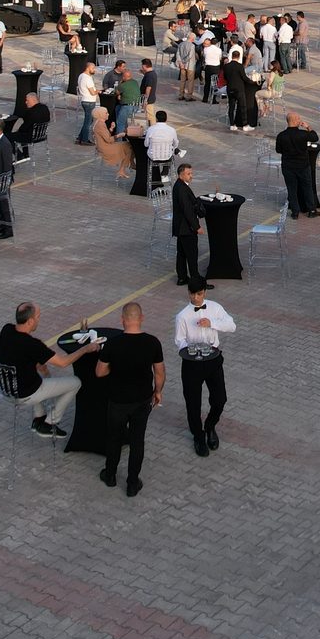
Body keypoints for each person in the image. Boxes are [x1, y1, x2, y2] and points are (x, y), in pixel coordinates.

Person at [0, 301, 98, 439]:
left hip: (7, 389)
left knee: (39, 375)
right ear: (31, 320)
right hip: (25, 393)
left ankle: (38, 419)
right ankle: (49, 423)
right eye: (38, 317)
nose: (39, 320)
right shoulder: (32, 345)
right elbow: (63, 362)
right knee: (76, 382)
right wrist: (86, 349)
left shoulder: (6, 330)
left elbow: (18, 353)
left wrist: (40, 365)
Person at [96, 300, 165, 497]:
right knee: (137, 441)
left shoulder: (113, 343)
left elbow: (99, 372)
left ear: (122, 320)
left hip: (117, 400)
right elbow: (159, 372)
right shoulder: (152, 342)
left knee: (114, 438)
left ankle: (109, 475)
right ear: (141, 319)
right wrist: (157, 391)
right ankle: (132, 483)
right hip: (142, 400)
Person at [172, 277, 235, 457]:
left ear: (205, 292)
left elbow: (232, 326)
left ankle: (210, 426)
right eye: (193, 294)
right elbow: (179, 340)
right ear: (189, 293)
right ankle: (198, 436)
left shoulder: (215, 308)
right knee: (193, 403)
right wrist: (191, 350)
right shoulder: (182, 315)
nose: (196, 298)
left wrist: (212, 323)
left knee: (220, 399)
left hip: (213, 360)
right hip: (191, 364)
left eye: (199, 294)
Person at [274, 112, 320, 219]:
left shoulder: (281, 135)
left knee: (291, 189)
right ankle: (311, 210)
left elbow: (278, 150)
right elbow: (315, 137)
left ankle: (295, 212)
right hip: (303, 166)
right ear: (296, 121)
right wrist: (308, 127)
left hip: (288, 166)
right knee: (307, 187)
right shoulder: (303, 134)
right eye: (299, 119)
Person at [170, 163, 205, 286]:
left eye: (191, 173)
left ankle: (182, 277)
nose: (191, 176)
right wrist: (197, 227)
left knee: (181, 253)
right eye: (188, 174)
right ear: (181, 174)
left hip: (180, 227)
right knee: (191, 254)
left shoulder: (179, 186)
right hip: (186, 228)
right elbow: (188, 210)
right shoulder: (182, 189)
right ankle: (195, 279)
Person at [90, 107, 133, 180]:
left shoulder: (99, 123)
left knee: (129, 146)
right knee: (130, 147)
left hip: (104, 145)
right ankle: (125, 168)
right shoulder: (100, 125)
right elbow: (108, 140)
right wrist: (119, 135)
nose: (108, 114)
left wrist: (111, 129)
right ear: (100, 115)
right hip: (105, 148)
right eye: (106, 113)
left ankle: (129, 165)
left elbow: (106, 137)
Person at [6, 91, 49, 160]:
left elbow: (24, 127)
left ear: (34, 100)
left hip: (31, 137)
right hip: (42, 135)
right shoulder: (45, 108)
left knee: (7, 137)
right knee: (23, 133)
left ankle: (20, 156)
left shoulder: (31, 112)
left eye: (27, 100)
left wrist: (18, 131)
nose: (26, 102)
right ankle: (26, 154)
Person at [142, 109, 181, 187]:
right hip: (167, 157)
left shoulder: (151, 129)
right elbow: (175, 144)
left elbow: (146, 144)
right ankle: (165, 172)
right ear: (166, 119)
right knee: (171, 154)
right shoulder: (172, 130)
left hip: (153, 157)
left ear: (156, 119)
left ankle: (156, 176)